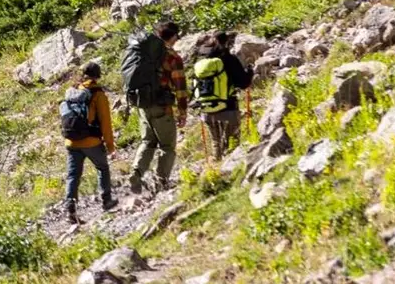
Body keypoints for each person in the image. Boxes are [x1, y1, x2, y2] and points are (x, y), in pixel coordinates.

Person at [127, 20, 187, 195]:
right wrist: (182, 111)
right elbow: (180, 87)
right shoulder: (172, 57)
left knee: (148, 141)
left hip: (142, 104)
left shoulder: (143, 53)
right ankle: (161, 182)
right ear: (173, 36)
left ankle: (135, 173)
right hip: (162, 105)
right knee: (167, 145)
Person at [61, 60, 117, 224]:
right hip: (91, 141)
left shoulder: (72, 91)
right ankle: (106, 200)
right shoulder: (98, 94)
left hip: (71, 141)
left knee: (73, 175)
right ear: (97, 76)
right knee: (102, 167)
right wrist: (110, 146)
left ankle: (70, 208)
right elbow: (105, 123)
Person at [190, 31, 253, 160]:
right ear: (227, 43)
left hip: (206, 109)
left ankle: (217, 166)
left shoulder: (203, 62)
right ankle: (231, 171)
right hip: (227, 107)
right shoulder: (229, 59)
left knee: (216, 143)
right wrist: (249, 72)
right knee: (232, 144)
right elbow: (243, 83)